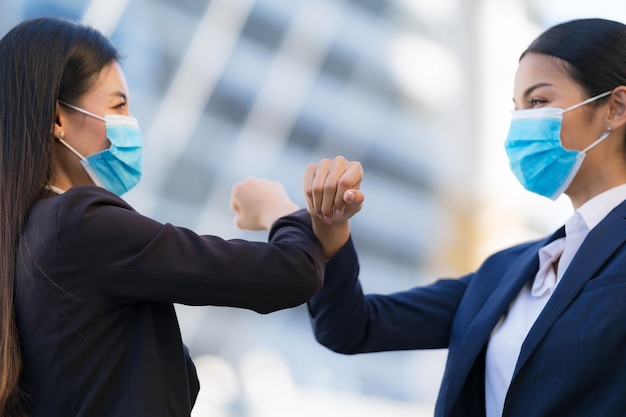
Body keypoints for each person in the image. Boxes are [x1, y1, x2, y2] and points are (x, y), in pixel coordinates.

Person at [234, 18, 626, 417]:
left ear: (615, 107)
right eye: (516, 107)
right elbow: (353, 327)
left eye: (538, 102)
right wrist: (314, 223)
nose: (520, 122)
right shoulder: (509, 272)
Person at [0, 17, 358, 417]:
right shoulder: (78, 220)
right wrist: (282, 213)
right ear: (57, 119)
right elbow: (287, 275)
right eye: (118, 106)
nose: (129, 124)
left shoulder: (27, 234)